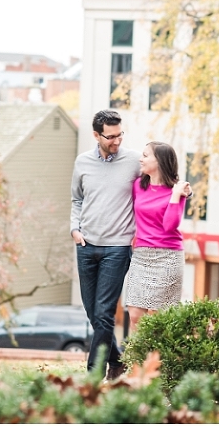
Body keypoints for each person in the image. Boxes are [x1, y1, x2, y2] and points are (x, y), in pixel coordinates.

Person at [70, 110, 140, 379]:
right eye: (110, 137)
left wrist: (181, 190)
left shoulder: (134, 161)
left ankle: (94, 374)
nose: (116, 141)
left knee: (104, 313)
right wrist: (74, 229)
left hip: (118, 248)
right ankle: (117, 360)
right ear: (96, 135)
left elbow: (159, 181)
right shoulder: (83, 162)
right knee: (93, 313)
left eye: (120, 134)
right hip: (86, 245)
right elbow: (76, 200)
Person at [124, 141, 191, 332]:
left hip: (168, 257)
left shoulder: (177, 191)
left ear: (159, 161)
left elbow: (170, 226)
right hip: (142, 256)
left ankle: (158, 361)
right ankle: (138, 361)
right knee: (135, 315)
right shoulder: (138, 185)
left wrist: (175, 196)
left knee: (161, 319)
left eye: (145, 156)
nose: (140, 159)